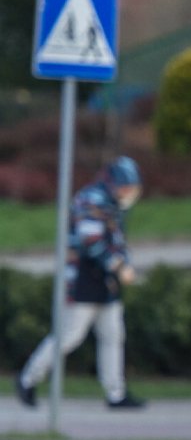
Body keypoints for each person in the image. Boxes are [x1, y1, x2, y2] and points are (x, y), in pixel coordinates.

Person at [16, 156, 146, 409]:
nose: (130, 193)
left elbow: (117, 240)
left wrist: (122, 263)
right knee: (69, 336)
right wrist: (119, 266)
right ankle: (28, 379)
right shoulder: (91, 200)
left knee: (113, 335)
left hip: (107, 283)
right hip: (84, 280)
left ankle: (115, 393)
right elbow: (91, 242)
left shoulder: (114, 203)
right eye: (126, 187)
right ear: (113, 183)